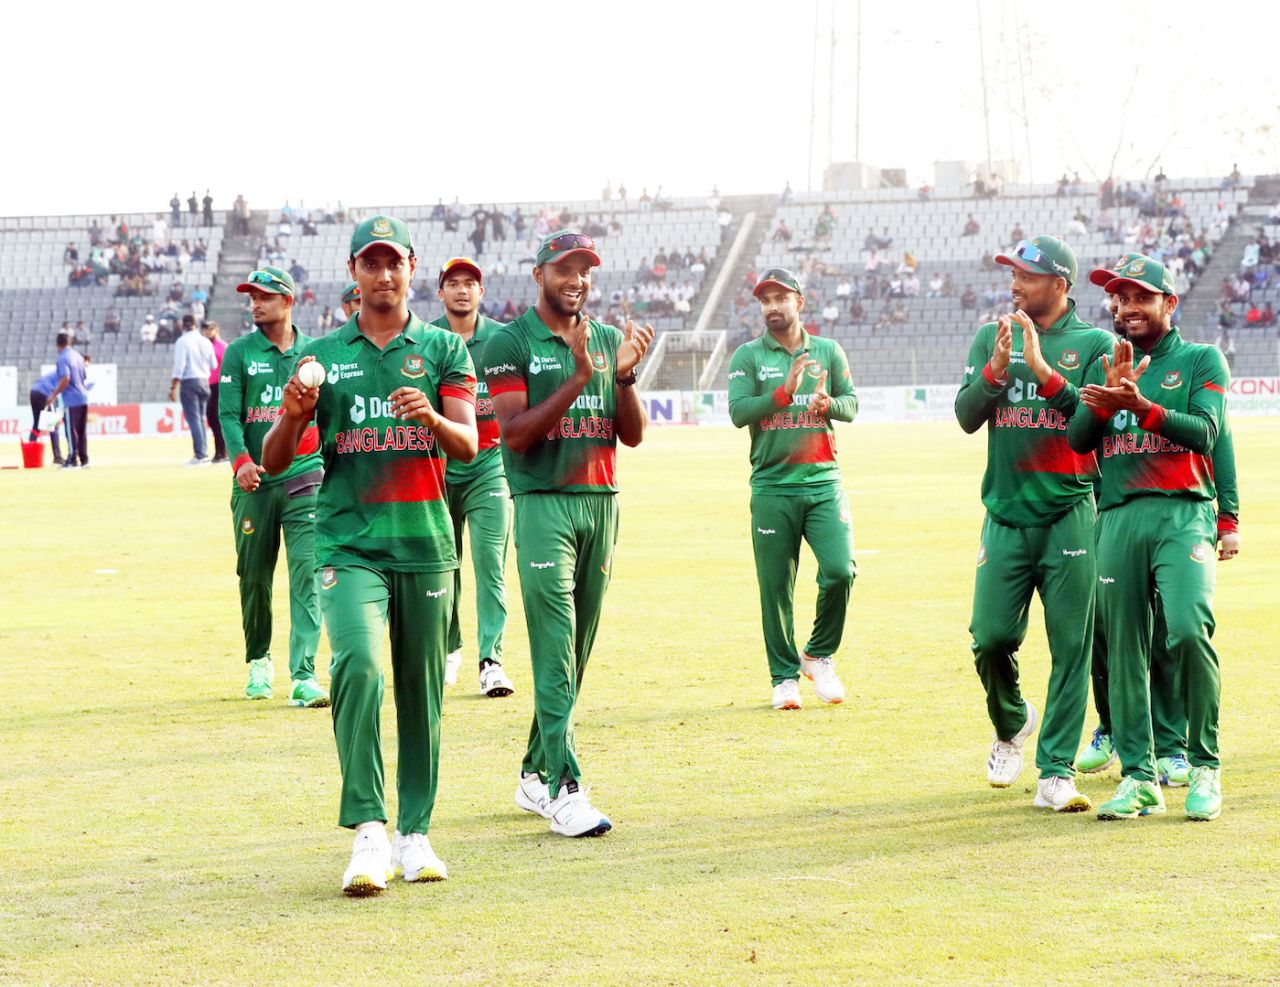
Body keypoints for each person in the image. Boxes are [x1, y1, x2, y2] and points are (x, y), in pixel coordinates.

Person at [262, 216, 478, 894]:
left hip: (425, 543)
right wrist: (295, 413)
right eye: (370, 262)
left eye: (394, 262)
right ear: (353, 272)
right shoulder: (324, 354)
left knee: (421, 695)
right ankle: (369, 831)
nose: (383, 274)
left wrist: (433, 418)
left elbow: (469, 444)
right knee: (357, 666)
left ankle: (415, 832)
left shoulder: (443, 348)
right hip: (349, 543)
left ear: (413, 267)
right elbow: (274, 462)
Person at [481, 230, 653, 838]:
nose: (576, 279)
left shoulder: (605, 338)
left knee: (574, 655)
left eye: (585, 270)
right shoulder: (509, 342)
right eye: (565, 268)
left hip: (601, 502)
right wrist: (580, 376)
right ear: (539, 275)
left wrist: (624, 377)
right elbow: (516, 433)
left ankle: (533, 773)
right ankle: (564, 788)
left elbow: (630, 436)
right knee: (556, 649)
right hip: (543, 504)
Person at [953, 236, 1114, 812]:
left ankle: (1055, 772)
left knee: (1071, 649)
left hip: (1070, 511)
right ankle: (1013, 721)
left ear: (1060, 285)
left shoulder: (1096, 344)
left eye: (1025, 275)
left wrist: (1046, 374)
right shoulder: (991, 336)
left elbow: (1093, 426)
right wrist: (995, 372)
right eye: (1012, 273)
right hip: (1004, 513)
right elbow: (968, 417)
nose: (1014, 283)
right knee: (990, 638)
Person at [1067, 254, 1229, 822]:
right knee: (1123, 650)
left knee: (1186, 630)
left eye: (1140, 297)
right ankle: (1139, 777)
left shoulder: (1201, 358)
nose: (1127, 308)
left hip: (1181, 514)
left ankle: (1205, 765)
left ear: (1168, 303)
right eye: (1119, 298)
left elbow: (1206, 431)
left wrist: (1144, 407)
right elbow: (1078, 441)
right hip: (1117, 516)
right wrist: (1106, 396)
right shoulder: (1109, 364)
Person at [727, 268, 859, 711]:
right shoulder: (747, 356)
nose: (771, 307)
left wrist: (830, 404)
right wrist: (783, 392)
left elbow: (852, 404)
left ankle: (818, 655)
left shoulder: (828, 350)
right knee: (776, 588)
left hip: (823, 482)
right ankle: (784, 677)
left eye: (780, 298)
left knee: (841, 571)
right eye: (764, 300)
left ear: (800, 302)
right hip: (771, 487)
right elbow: (738, 411)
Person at [219, 267, 328, 708]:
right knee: (255, 577)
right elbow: (228, 416)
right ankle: (258, 660)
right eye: (251, 297)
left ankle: (304, 674)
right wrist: (241, 462)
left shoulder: (314, 354)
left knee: (308, 574)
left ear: (288, 301)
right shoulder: (239, 353)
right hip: (255, 483)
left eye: (264, 297)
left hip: (306, 476)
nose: (255, 304)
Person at [431, 257, 515, 698]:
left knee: (490, 565)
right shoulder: (424, 340)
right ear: (439, 293)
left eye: (470, 283)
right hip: (437, 469)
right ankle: (449, 648)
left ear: (481, 292)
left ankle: (491, 661)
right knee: (444, 566)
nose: (462, 290)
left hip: (489, 465)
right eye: (453, 283)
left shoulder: (503, 339)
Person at [169, 314, 218, 465]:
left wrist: (173, 387)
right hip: (205, 381)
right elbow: (214, 365)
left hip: (190, 382)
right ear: (196, 325)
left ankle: (200, 455)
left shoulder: (182, 342)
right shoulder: (205, 341)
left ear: (183, 326)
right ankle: (204, 452)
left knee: (194, 419)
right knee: (201, 419)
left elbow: (179, 367)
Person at [45, 332, 91, 468]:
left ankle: (72, 458)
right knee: (81, 430)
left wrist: (53, 395)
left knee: (71, 431)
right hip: (83, 396)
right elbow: (84, 376)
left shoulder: (62, 358)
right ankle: (84, 459)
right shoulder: (78, 356)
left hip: (72, 399)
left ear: (58, 345)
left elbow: (66, 378)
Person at [202, 321, 228, 463]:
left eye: (209, 329)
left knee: (217, 419)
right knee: (211, 418)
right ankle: (219, 451)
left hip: (220, 385)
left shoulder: (222, 347)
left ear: (216, 330)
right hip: (209, 385)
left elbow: (228, 367)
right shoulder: (206, 347)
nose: (207, 332)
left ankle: (222, 452)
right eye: (205, 329)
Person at [28, 369, 65, 464]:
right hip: (45, 394)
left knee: (37, 424)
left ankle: (30, 454)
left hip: (34, 392)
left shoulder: (54, 373)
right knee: (53, 425)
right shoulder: (65, 375)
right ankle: (57, 457)